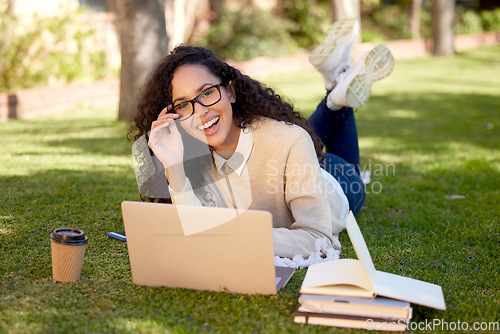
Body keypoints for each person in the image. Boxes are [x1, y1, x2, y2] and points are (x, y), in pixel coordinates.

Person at [128, 19, 394, 259]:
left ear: (231, 91)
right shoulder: (191, 155)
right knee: (293, 139)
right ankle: (335, 89)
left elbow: (318, 240)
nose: (200, 112)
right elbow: (199, 230)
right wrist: (174, 166)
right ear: (173, 115)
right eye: (183, 105)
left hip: (334, 180)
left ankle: (336, 97)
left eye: (207, 93)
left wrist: (233, 237)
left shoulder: (288, 140)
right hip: (294, 162)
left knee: (343, 170)